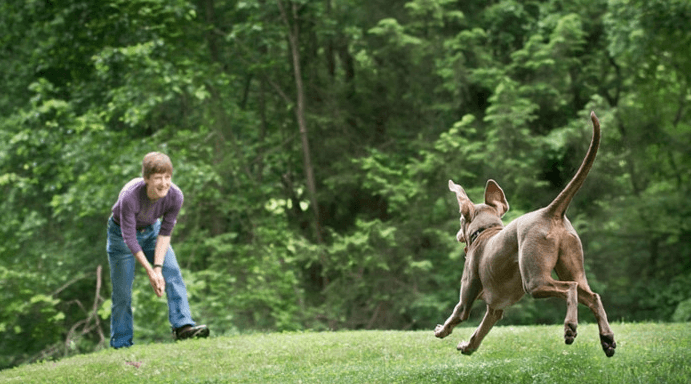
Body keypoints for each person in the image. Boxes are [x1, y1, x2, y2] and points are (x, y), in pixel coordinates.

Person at [106, 152, 209, 348]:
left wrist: (158, 268)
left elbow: (165, 232)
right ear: (146, 179)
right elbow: (129, 238)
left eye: (167, 177)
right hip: (121, 236)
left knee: (172, 272)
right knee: (122, 291)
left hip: (152, 232)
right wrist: (150, 271)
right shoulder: (130, 195)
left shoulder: (175, 196)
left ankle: (183, 327)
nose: (164, 183)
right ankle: (121, 342)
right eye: (158, 178)